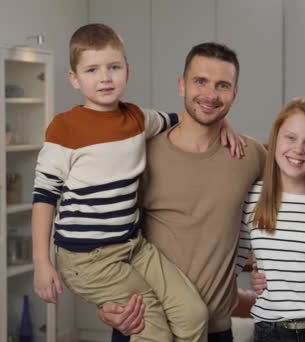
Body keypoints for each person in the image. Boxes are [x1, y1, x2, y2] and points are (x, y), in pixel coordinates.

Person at [32, 24, 242, 342]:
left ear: (127, 70)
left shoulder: (138, 120)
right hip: (86, 258)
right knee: (152, 324)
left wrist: (222, 118)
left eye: (113, 67)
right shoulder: (64, 129)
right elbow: (44, 195)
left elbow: (187, 117)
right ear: (74, 79)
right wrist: (41, 261)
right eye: (92, 70)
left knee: (193, 314)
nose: (105, 77)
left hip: (133, 246)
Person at [99, 42, 266, 342]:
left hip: (215, 332)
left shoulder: (250, 155)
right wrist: (106, 305)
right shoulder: (141, 155)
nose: (211, 95)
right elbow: (105, 239)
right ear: (181, 85)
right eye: (200, 81)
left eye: (222, 86)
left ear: (234, 94)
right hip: (145, 327)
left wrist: (268, 267)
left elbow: (295, 199)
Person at [235, 98, 305, 341]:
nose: (298, 149)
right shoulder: (253, 197)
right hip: (270, 331)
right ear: (275, 140)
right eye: (291, 137)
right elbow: (233, 263)